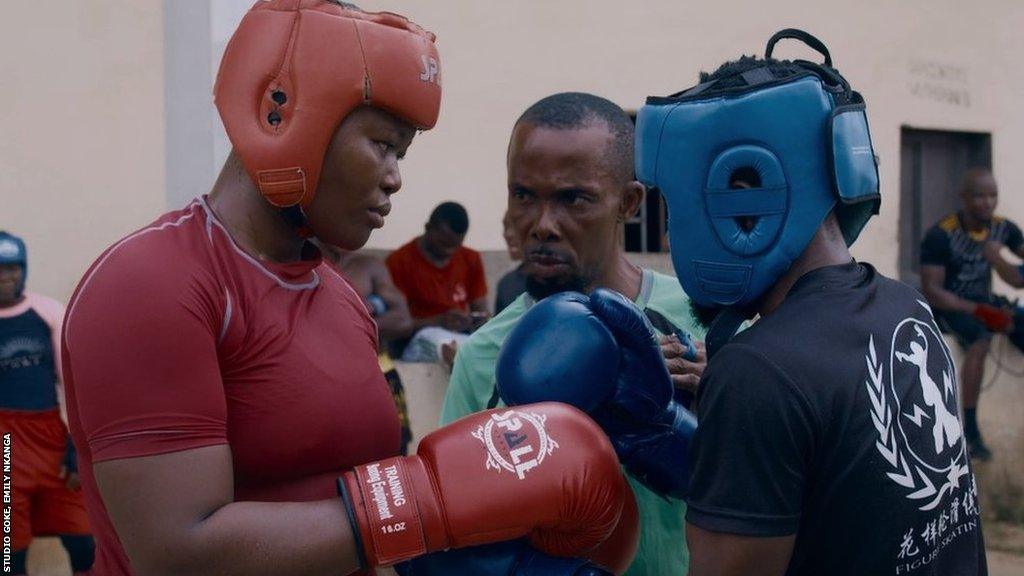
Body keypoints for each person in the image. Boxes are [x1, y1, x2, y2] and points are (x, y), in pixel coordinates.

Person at [60, 3, 635, 575]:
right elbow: (179, 550)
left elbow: (359, 500)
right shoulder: (154, 282)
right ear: (282, 115)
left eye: (401, 153)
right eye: (383, 144)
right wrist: (430, 499)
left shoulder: (336, 294)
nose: (395, 177)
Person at [634, 29, 986, 575]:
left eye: (675, 207)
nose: (669, 238)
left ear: (744, 203)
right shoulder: (906, 308)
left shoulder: (760, 373)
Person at [441, 92, 708, 576]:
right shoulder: (482, 357)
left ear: (628, 202)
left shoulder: (702, 321)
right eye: (523, 195)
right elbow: (457, 528)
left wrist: (722, 392)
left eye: (573, 199)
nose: (542, 225)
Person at [0, 231, 94, 575]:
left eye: (12, 268)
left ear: (22, 270)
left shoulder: (49, 312)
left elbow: (74, 386)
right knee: (9, 550)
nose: (5, 277)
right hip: (6, 446)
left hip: (52, 437)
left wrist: (76, 446)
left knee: (84, 538)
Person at [920, 167, 1024, 460]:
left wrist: (1000, 262)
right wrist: (979, 310)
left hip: (985, 301)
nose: (987, 202)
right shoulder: (942, 234)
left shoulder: (1005, 229)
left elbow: (1019, 275)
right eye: (979, 196)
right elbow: (932, 292)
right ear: (964, 197)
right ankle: (972, 433)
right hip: (951, 306)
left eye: (993, 195)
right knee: (979, 338)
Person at [319, 243, 414, 454]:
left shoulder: (369, 267)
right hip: (328, 382)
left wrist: (343, 322)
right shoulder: (299, 264)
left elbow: (403, 321)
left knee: (394, 459)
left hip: (381, 374)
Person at [386, 201, 489, 333]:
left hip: (461, 337)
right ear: (427, 227)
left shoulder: (471, 259)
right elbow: (393, 325)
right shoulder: (399, 262)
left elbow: (481, 312)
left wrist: (474, 321)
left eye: (455, 246)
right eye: (443, 243)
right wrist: (438, 322)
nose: (449, 252)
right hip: (415, 340)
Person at [495, 211, 528, 314]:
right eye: (506, 227)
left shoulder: (560, 283)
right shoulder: (506, 284)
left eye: (516, 227)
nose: (508, 234)